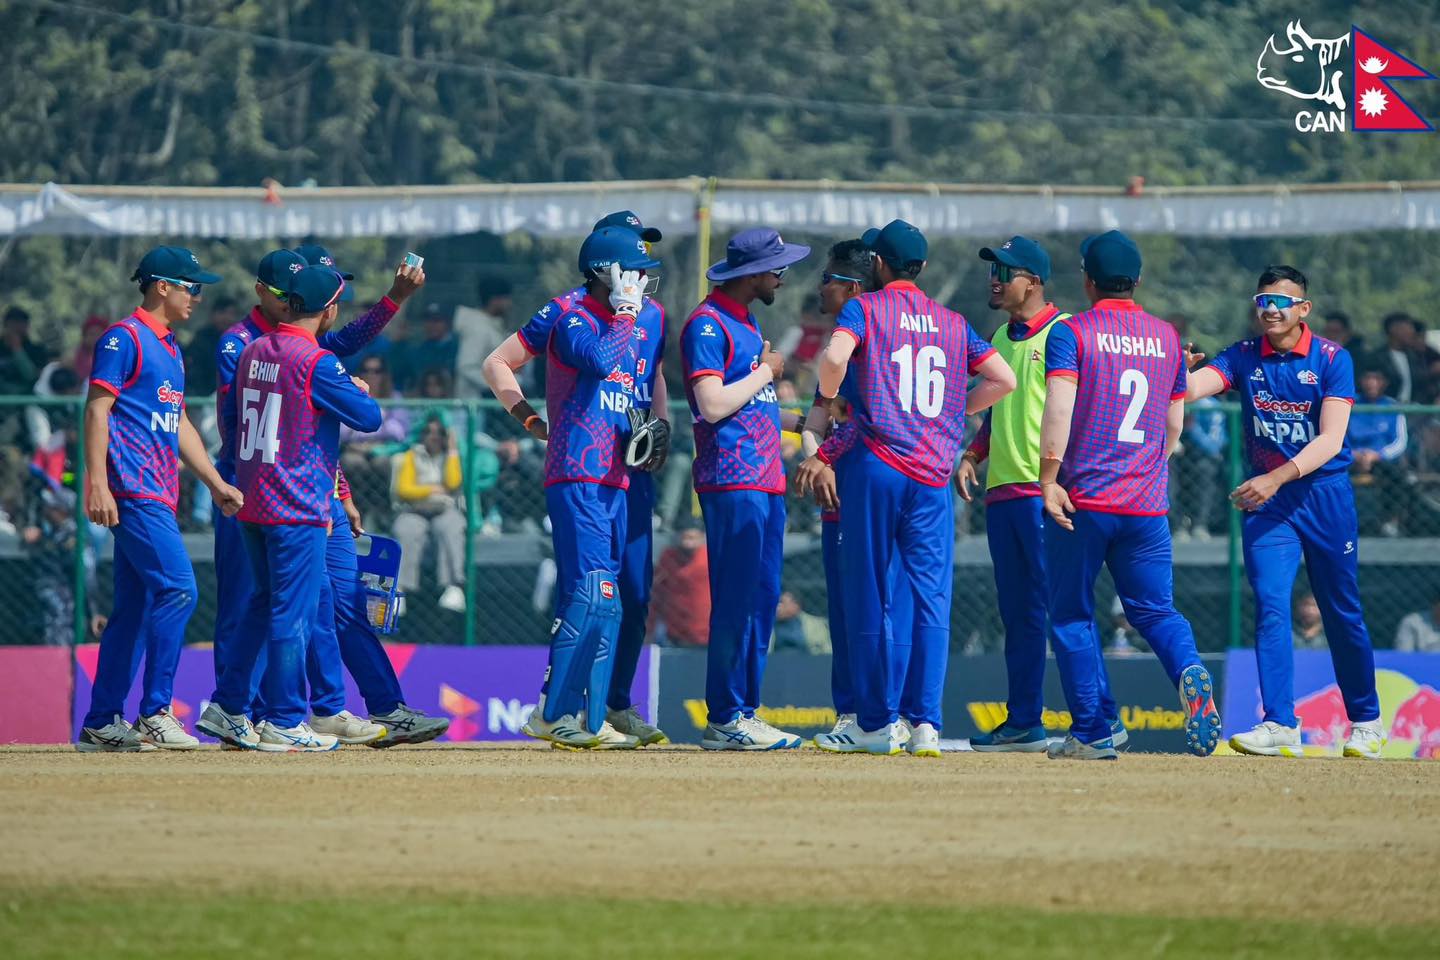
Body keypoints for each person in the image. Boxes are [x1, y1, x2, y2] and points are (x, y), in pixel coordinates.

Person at [809, 219, 1015, 757]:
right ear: (921, 268)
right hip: (931, 475)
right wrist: (953, 410)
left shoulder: (866, 308)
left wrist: (829, 400)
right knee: (930, 599)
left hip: (878, 463)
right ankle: (925, 723)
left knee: (868, 592)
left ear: (877, 264)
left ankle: (875, 724)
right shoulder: (950, 320)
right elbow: (1003, 380)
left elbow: (834, 358)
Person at [486, 210, 672, 747]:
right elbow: (598, 359)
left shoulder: (645, 315)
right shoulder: (571, 316)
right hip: (578, 469)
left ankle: (588, 719)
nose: (641, 276)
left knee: (609, 597)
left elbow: (646, 374)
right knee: (593, 591)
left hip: (617, 474)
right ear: (604, 270)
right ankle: (555, 711)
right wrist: (527, 418)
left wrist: (658, 426)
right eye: (631, 267)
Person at [1186, 264, 1383, 759]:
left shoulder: (1333, 358)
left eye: (1279, 302)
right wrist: (1174, 371)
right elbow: (1192, 389)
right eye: (1262, 301)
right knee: (1271, 605)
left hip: (1325, 498)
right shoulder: (1243, 356)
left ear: (1303, 309)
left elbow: (1332, 440)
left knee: (1342, 611)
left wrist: (1275, 477)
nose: (1269, 310)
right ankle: (1279, 723)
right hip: (1269, 505)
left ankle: (1366, 722)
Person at [1039, 230, 1220, 761]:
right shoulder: (1166, 337)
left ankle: (1094, 731)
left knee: (1071, 614)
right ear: (1137, 280)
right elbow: (1175, 425)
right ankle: (1189, 670)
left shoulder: (1072, 331)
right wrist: (1144, 471)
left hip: (1084, 500)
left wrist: (1050, 478)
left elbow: (1059, 411)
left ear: (1087, 279)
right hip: (1145, 505)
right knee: (1156, 611)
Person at [210, 248, 419, 697]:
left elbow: (313, 412)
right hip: (256, 490)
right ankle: (260, 711)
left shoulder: (283, 347)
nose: (291, 302)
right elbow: (245, 426)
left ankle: (349, 706)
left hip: (303, 490)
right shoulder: (243, 344)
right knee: (266, 609)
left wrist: (340, 490)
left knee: (332, 603)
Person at [199, 265, 382, 752]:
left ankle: (227, 704)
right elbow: (369, 418)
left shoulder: (254, 348)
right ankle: (282, 719)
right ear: (329, 310)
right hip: (297, 502)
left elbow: (239, 417)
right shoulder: (316, 360)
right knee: (292, 614)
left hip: (254, 498)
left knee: (260, 604)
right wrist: (355, 390)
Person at [957, 236, 1129, 753]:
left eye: (1005, 270)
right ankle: (1025, 721)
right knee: (1020, 614)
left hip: (1045, 493)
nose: (995, 278)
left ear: (1033, 280)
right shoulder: (1000, 337)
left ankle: (1104, 718)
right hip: (1004, 492)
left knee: (1064, 610)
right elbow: (998, 410)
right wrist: (974, 454)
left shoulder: (1067, 332)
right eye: (994, 269)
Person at [77, 246, 244, 752]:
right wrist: (97, 483)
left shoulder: (170, 346)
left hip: (160, 492)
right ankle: (154, 710)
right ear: (162, 287)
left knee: (134, 608)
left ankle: (102, 721)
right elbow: (96, 411)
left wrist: (215, 482)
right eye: (191, 286)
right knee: (179, 589)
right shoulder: (122, 339)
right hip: (132, 489)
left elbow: (180, 425)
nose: (198, 295)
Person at [681, 227, 813, 752]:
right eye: (775, 267)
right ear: (750, 273)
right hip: (732, 479)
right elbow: (711, 404)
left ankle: (743, 711)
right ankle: (726, 715)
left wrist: (801, 419)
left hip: (764, 480)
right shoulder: (707, 323)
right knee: (738, 600)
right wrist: (766, 370)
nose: (782, 275)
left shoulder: (744, 319)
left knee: (759, 599)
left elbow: (749, 403)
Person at [391, 415, 467, 613]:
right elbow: (404, 489)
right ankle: (399, 590)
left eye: (439, 434)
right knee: (406, 529)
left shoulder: (453, 456)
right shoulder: (410, 456)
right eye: (429, 433)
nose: (433, 437)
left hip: (444, 509)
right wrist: (431, 489)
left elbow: (452, 483)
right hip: (415, 509)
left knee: (451, 528)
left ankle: (453, 587)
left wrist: (451, 450)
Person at [648, 519, 710, 647]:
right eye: (684, 537)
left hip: (706, 635)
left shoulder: (710, 559)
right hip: (674, 634)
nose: (688, 543)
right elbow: (657, 594)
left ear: (702, 537)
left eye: (692, 538)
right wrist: (649, 630)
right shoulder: (668, 557)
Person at [454, 276, 513, 399]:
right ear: (494, 300)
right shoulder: (478, 328)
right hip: (475, 405)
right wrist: (504, 385)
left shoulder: (492, 326)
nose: (509, 304)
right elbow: (467, 367)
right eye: (506, 298)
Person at [183, 295, 238, 397]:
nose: (227, 318)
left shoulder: (238, 340)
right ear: (213, 314)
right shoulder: (202, 338)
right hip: (202, 398)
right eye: (223, 313)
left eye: (231, 314)